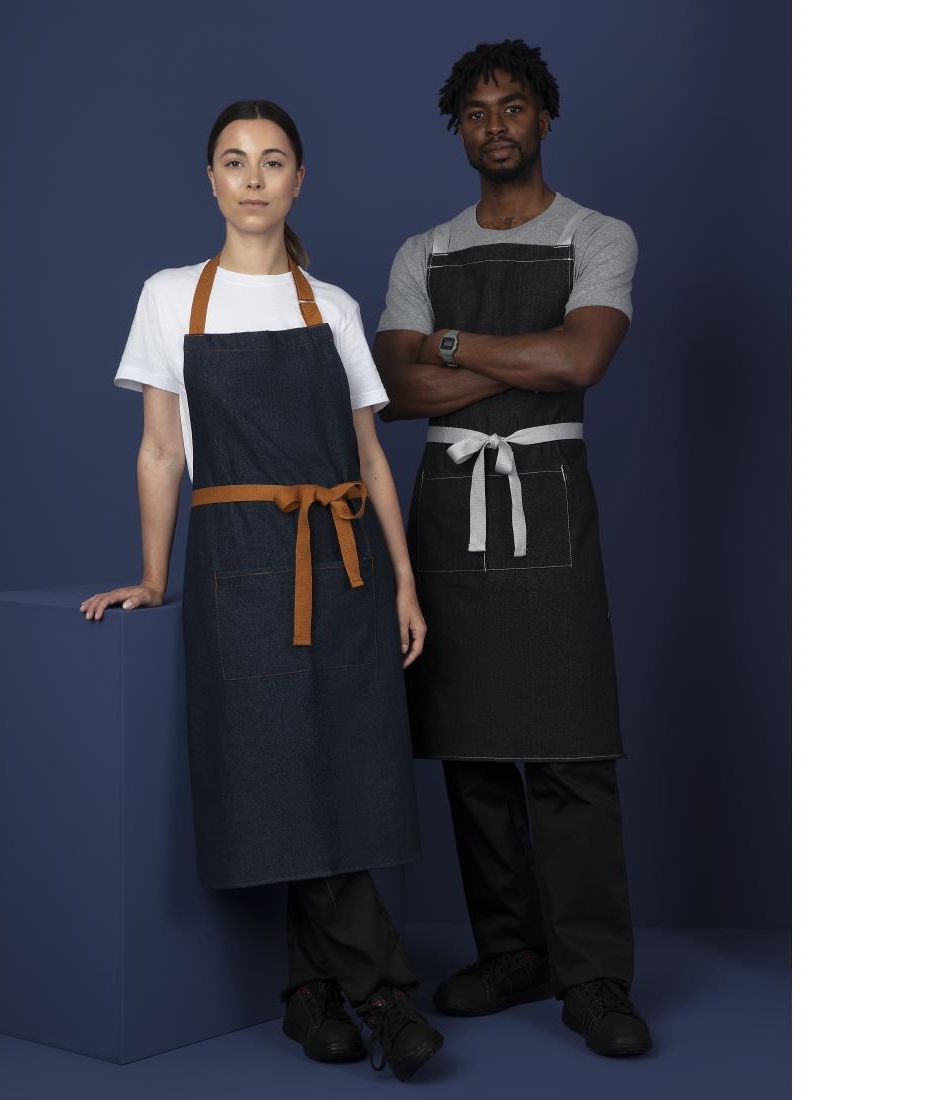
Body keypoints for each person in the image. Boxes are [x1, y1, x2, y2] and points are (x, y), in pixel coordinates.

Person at [80, 100, 443, 1082]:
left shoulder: (332, 306)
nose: (252, 177)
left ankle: (308, 995)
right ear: (210, 181)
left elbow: (369, 459)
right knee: (279, 766)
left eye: (271, 161)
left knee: (340, 768)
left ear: (297, 181)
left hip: (346, 565)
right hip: (238, 564)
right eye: (234, 161)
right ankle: (386, 995)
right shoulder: (170, 298)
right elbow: (161, 450)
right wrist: (154, 574)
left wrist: (405, 583)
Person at [374, 40, 653, 1057]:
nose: (496, 125)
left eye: (514, 106)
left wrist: (448, 345)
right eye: (477, 111)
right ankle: (510, 951)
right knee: (473, 750)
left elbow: (581, 357)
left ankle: (594, 976)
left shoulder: (596, 234)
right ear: (458, 129)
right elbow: (392, 391)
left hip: (547, 504)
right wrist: (522, 362)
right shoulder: (423, 252)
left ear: (544, 116)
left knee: (571, 747)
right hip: (448, 512)